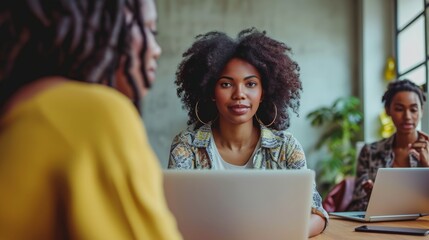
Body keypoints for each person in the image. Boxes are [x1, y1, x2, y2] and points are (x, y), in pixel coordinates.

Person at [0, 0, 182, 239]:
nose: (157, 49)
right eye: (147, 28)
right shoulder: (93, 114)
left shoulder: (28, 110)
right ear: (102, 28)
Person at [168, 28, 328, 237]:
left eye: (251, 84)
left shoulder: (286, 148)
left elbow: (317, 214)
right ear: (211, 92)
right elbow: (173, 217)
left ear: (264, 92)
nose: (239, 94)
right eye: (226, 84)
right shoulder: (186, 146)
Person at [348, 79, 428, 211]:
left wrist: (428, 166)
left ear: (421, 111)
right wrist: (373, 197)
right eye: (399, 109)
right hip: (381, 225)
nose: (407, 116)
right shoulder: (370, 151)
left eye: (413, 109)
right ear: (387, 110)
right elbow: (357, 205)